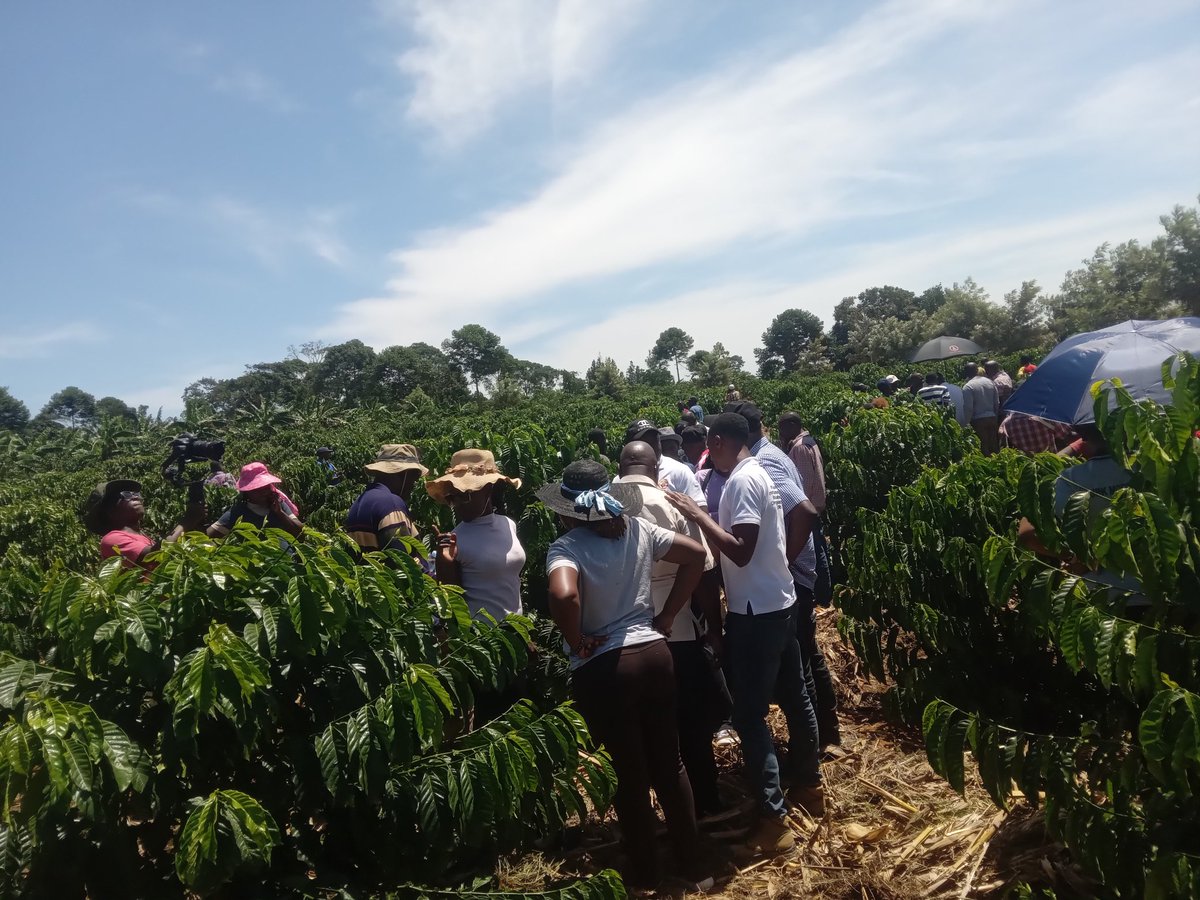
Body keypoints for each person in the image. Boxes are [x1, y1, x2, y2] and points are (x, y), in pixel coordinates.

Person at [542, 460, 710, 888]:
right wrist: (668, 614)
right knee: (670, 766)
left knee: (629, 774)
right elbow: (695, 555)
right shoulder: (637, 529)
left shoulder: (566, 547)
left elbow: (564, 594)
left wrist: (577, 638)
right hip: (655, 655)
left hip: (607, 669)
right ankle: (695, 869)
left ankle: (649, 875)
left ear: (568, 510)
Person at [667, 413, 823, 856]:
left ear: (716, 440)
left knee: (750, 717)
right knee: (797, 697)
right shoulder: (759, 472)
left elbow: (740, 548)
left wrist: (697, 513)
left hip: (755, 612)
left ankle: (774, 821)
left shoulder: (740, 481)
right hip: (780, 600)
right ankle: (811, 787)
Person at [619, 442, 727, 817]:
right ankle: (704, 801)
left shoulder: (603, 506)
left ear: (621, 468)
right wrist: (715, 628)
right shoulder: (671, 503)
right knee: (692, 723)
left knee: (646, 725)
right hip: (677, 626)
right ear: (654, 468)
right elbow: (702, 572)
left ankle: (657, 809)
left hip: (627, 633)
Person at [731, 402, 833, 755]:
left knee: (803, 663)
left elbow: (804, 511)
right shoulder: (769, 453)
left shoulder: (765, 462)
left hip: (793, 576)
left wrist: (783, 559)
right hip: (792, 573)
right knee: (804, 658)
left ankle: (820, 741)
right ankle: (823, 737)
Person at [426, 449, 526, 623]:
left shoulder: (508, 524)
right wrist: (445, 562)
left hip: (516, 630)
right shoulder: (455, 540)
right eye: (452, 498)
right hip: (481, 638)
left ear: (488, 490)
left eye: (464, 496)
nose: (457, 505)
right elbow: (452, 602)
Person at [84, 480, 206, 570]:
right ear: (108, 510)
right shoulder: (111, 539)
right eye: (126, 495)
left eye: (136, 494)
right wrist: (188, 520)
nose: (135, 497)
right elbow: (154, 556)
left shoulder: (142, 536)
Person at [345, 444, 428, 554]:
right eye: (414, 478)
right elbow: (401, 562)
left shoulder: (362, 500)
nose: (413, 485)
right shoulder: (391, 504)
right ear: (403, 474)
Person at [618, 419, 708, 511]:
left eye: (654, 441)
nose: (650, 447)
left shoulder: (680, 471)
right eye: (645, 442)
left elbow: (701, 510)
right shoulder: (619, 480)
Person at [207, 462, 303, 539]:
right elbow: (209, 535)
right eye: (257, 489)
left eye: (266, 487)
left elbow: (300, 533)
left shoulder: (279, 504)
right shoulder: (238, 512)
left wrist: (280, 513)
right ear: (247, 491)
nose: (264, 492)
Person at [961, 361, 1001, 455]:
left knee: (984, 449)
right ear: (977, 370)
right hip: (992, 418)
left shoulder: (968, 386)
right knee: (995, 447)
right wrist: (995, 417)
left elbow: (968, 408)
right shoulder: (990, 382)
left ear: (966, 373)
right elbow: (997, 402)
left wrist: (966, 423)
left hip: (978, 421)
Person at [1000, 411, 1072, 455]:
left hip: (1024, 465)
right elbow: (1064, 433)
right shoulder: (1045, 416)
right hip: (1049, 463)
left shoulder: (1006, 423)